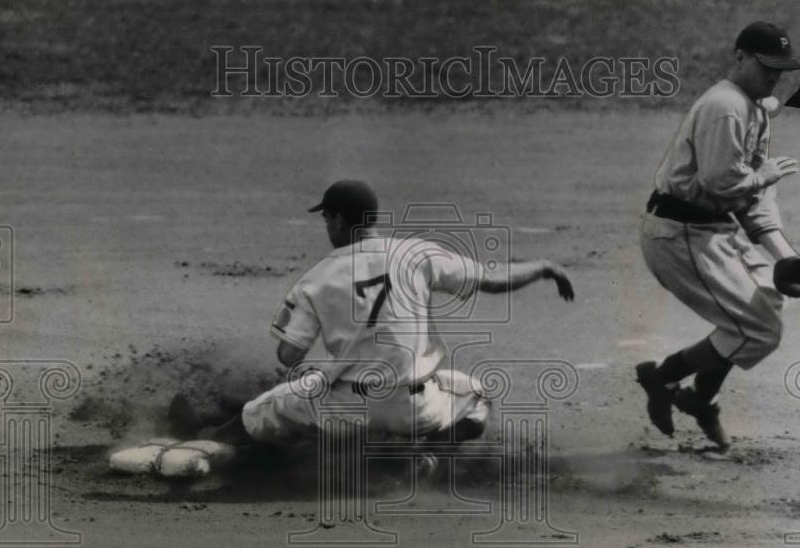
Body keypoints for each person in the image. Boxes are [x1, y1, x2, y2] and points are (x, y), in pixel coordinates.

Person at [172, 179, 574, 458]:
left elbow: (288, 356)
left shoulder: (316, 278)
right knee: (477, 393)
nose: (326, 226)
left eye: (327, 218)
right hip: (417, 408)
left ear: (341, 221)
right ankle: (427, 453)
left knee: (262, 409)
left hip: (346, 410)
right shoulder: (416, 255)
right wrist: (543, 267)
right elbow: (491, 280)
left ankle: (202, 444)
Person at [636, 21, 800, 452]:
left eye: (781, 69)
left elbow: (750, 198)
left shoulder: (752, 106)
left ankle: (699, 399)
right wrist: (764, 175)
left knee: (765, 300)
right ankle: (663, 378)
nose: (774, 76)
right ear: (739, 58)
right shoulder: (725, 107)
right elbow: (723, 183)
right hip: (680, 235)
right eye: (766, 66)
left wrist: (783, 257)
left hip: (709, 231)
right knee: (757, 329)